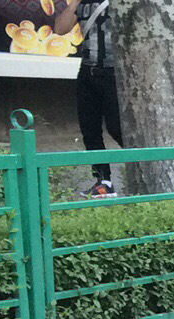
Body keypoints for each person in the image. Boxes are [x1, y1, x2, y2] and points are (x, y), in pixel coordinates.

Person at [53, 0, 121, 196]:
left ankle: (146, 164)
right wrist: (74, 4)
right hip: (87, 71)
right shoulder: (82, 3)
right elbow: (60, 29)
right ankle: (103, 181)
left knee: (116, 127)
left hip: (114, 72)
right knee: (89, 130)